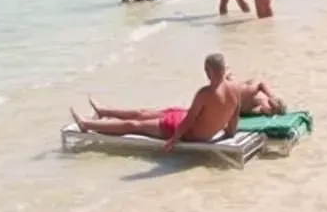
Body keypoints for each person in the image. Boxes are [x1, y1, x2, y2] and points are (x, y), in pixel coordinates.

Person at [69, 53, 242, 149]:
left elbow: (189, 121)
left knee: (134, 125)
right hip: (191, 125)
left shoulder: (205, 93)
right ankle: (104, 112)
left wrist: (174, 139)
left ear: (208, 71)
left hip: (189, 133)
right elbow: (234, 117)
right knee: (142, 113)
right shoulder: (235, 89)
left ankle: (87, 125)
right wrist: (229, 134)